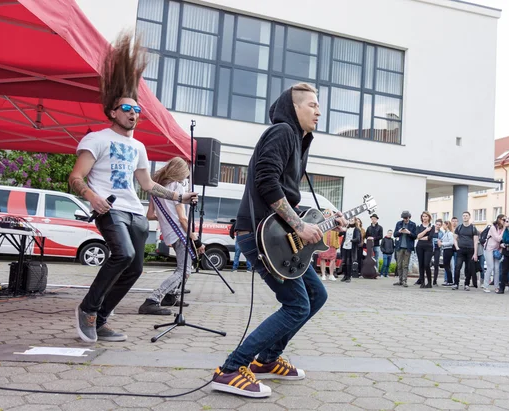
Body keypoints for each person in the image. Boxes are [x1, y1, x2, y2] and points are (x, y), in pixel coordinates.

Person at [210, 83, 346, 398]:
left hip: (275, 234)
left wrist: (324, 220)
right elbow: (265, 181)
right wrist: (299, 226)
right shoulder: (283, 131)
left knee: (316, 295)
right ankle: (231, 368)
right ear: (294, 107)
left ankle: (267, 360)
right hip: (261, 235)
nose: (319, 111)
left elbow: (285, 196)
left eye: (318, 105)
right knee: (297, 305)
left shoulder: (298, 143)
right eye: (312, 105)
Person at [69, 33, 198, 343]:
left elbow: (148, 184)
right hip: (110, 210)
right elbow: (75, 178)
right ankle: (87, 309)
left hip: (135, 213)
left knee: (134, 268)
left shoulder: (139, 147)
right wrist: (92, 196)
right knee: (122, 254)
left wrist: (179, 196)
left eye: (137, 111)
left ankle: (100, 321)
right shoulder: (96, 140)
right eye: (128, 109)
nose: (134, 114)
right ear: (113, 112)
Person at [139, 158, 206, 315]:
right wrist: (195, 239)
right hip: (180, 233)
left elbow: (150, 215)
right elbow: (183, 219)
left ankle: (171, 296)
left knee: (183, 267)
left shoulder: (156, 189)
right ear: (181, 172)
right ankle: (153, 300)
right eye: (186, 174)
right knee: (184, 271)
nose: (186, 178)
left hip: (169, 233)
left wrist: (164, 217)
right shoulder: (177, 188)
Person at [452, 211, 478, 291]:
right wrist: (457, 247)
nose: (465, 217)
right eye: (463, 216)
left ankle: (466, 284)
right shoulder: (459, 228)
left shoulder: (473, 228)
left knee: (469, 268)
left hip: (470, 250)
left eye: (466, 216)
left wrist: (475, 253)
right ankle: (456, 283)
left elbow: (476, 241)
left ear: (469, 217)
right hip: (461, 250)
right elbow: (454, 238)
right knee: (457, 267)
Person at [393, 211, 417, 287]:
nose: (405, 219)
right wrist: (399, 231)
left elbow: (415, 236)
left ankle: (404, 281)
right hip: (399, 247)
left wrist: (409, 232)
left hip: (408, 247)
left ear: (409, 217)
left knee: (405, 265)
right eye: (404, 218)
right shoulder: (399, 223)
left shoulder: (413, 224)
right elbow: (394, 234)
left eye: (406, 218)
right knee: (399, 264)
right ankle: (400, 280)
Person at [483, 214, 504, 293]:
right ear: (498, 219)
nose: (504, 221)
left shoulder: (502, 229)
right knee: (490, 267)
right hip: (489, 249)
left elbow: (503, 240)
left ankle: (496, 287)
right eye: (503, 219)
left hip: (497, 250)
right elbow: (498, 239)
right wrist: (504, 229)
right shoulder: (493, 227)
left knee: (497, 268)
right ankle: (485, 286)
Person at [318, 209, 339, 281]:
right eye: (325, 213)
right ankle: (323, 274)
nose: (326, 214)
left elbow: (337, 233)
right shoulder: (321, 221)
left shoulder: (334, 222)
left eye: (328, 213)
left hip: (332, 243)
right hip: (324, 243)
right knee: (322, 258)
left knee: (333, 259)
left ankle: (331, 274)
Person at [416, 211, 435, 288]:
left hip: (428, 247)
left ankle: (429, 282)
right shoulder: (419, 227)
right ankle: (422, 282)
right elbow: (417, 236)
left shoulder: (432, 226)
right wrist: (426, 231)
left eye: (426, 216)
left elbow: (429, 237)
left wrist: (421, 237)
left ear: (429, 217)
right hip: (419, 247)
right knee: (421, 264)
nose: (424, 218)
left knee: (426, 264)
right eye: (423, 216)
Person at [340, 218, 361, 283]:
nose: (350, 221)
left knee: (349, 262)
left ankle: (349, 276)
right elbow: (339, 234)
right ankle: (345, 276)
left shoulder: (356, 229)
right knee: (344, 262)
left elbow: (358, 239)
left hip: (351, 248)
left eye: (352, 220)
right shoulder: (347, 228)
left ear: (355, 221)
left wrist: (351, 240)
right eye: (349, 220)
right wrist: (342, 229)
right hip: (344, 247)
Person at [441, 221, 455, 285]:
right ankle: (449, 280)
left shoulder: (449, 233)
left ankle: (450, 281)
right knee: (446, 265)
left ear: (447, 225)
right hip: (445, 250)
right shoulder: (445, 233)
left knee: (447, 265)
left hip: (448, 250)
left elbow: (451, 242)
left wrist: (442, 243)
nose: (443, 226)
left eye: (444, 225)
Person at [431, 219, 443, 286]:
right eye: (437, 224)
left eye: (439, 225)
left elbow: (441, 240)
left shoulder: (441, 233)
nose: (438, 226)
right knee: (426, 264)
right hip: (430, 248)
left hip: (437, 249)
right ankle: (422, 279)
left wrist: (439, 241)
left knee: (436, 265)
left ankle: (435, 280)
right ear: (435, 224)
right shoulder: (431, 231)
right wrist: (436, 240)